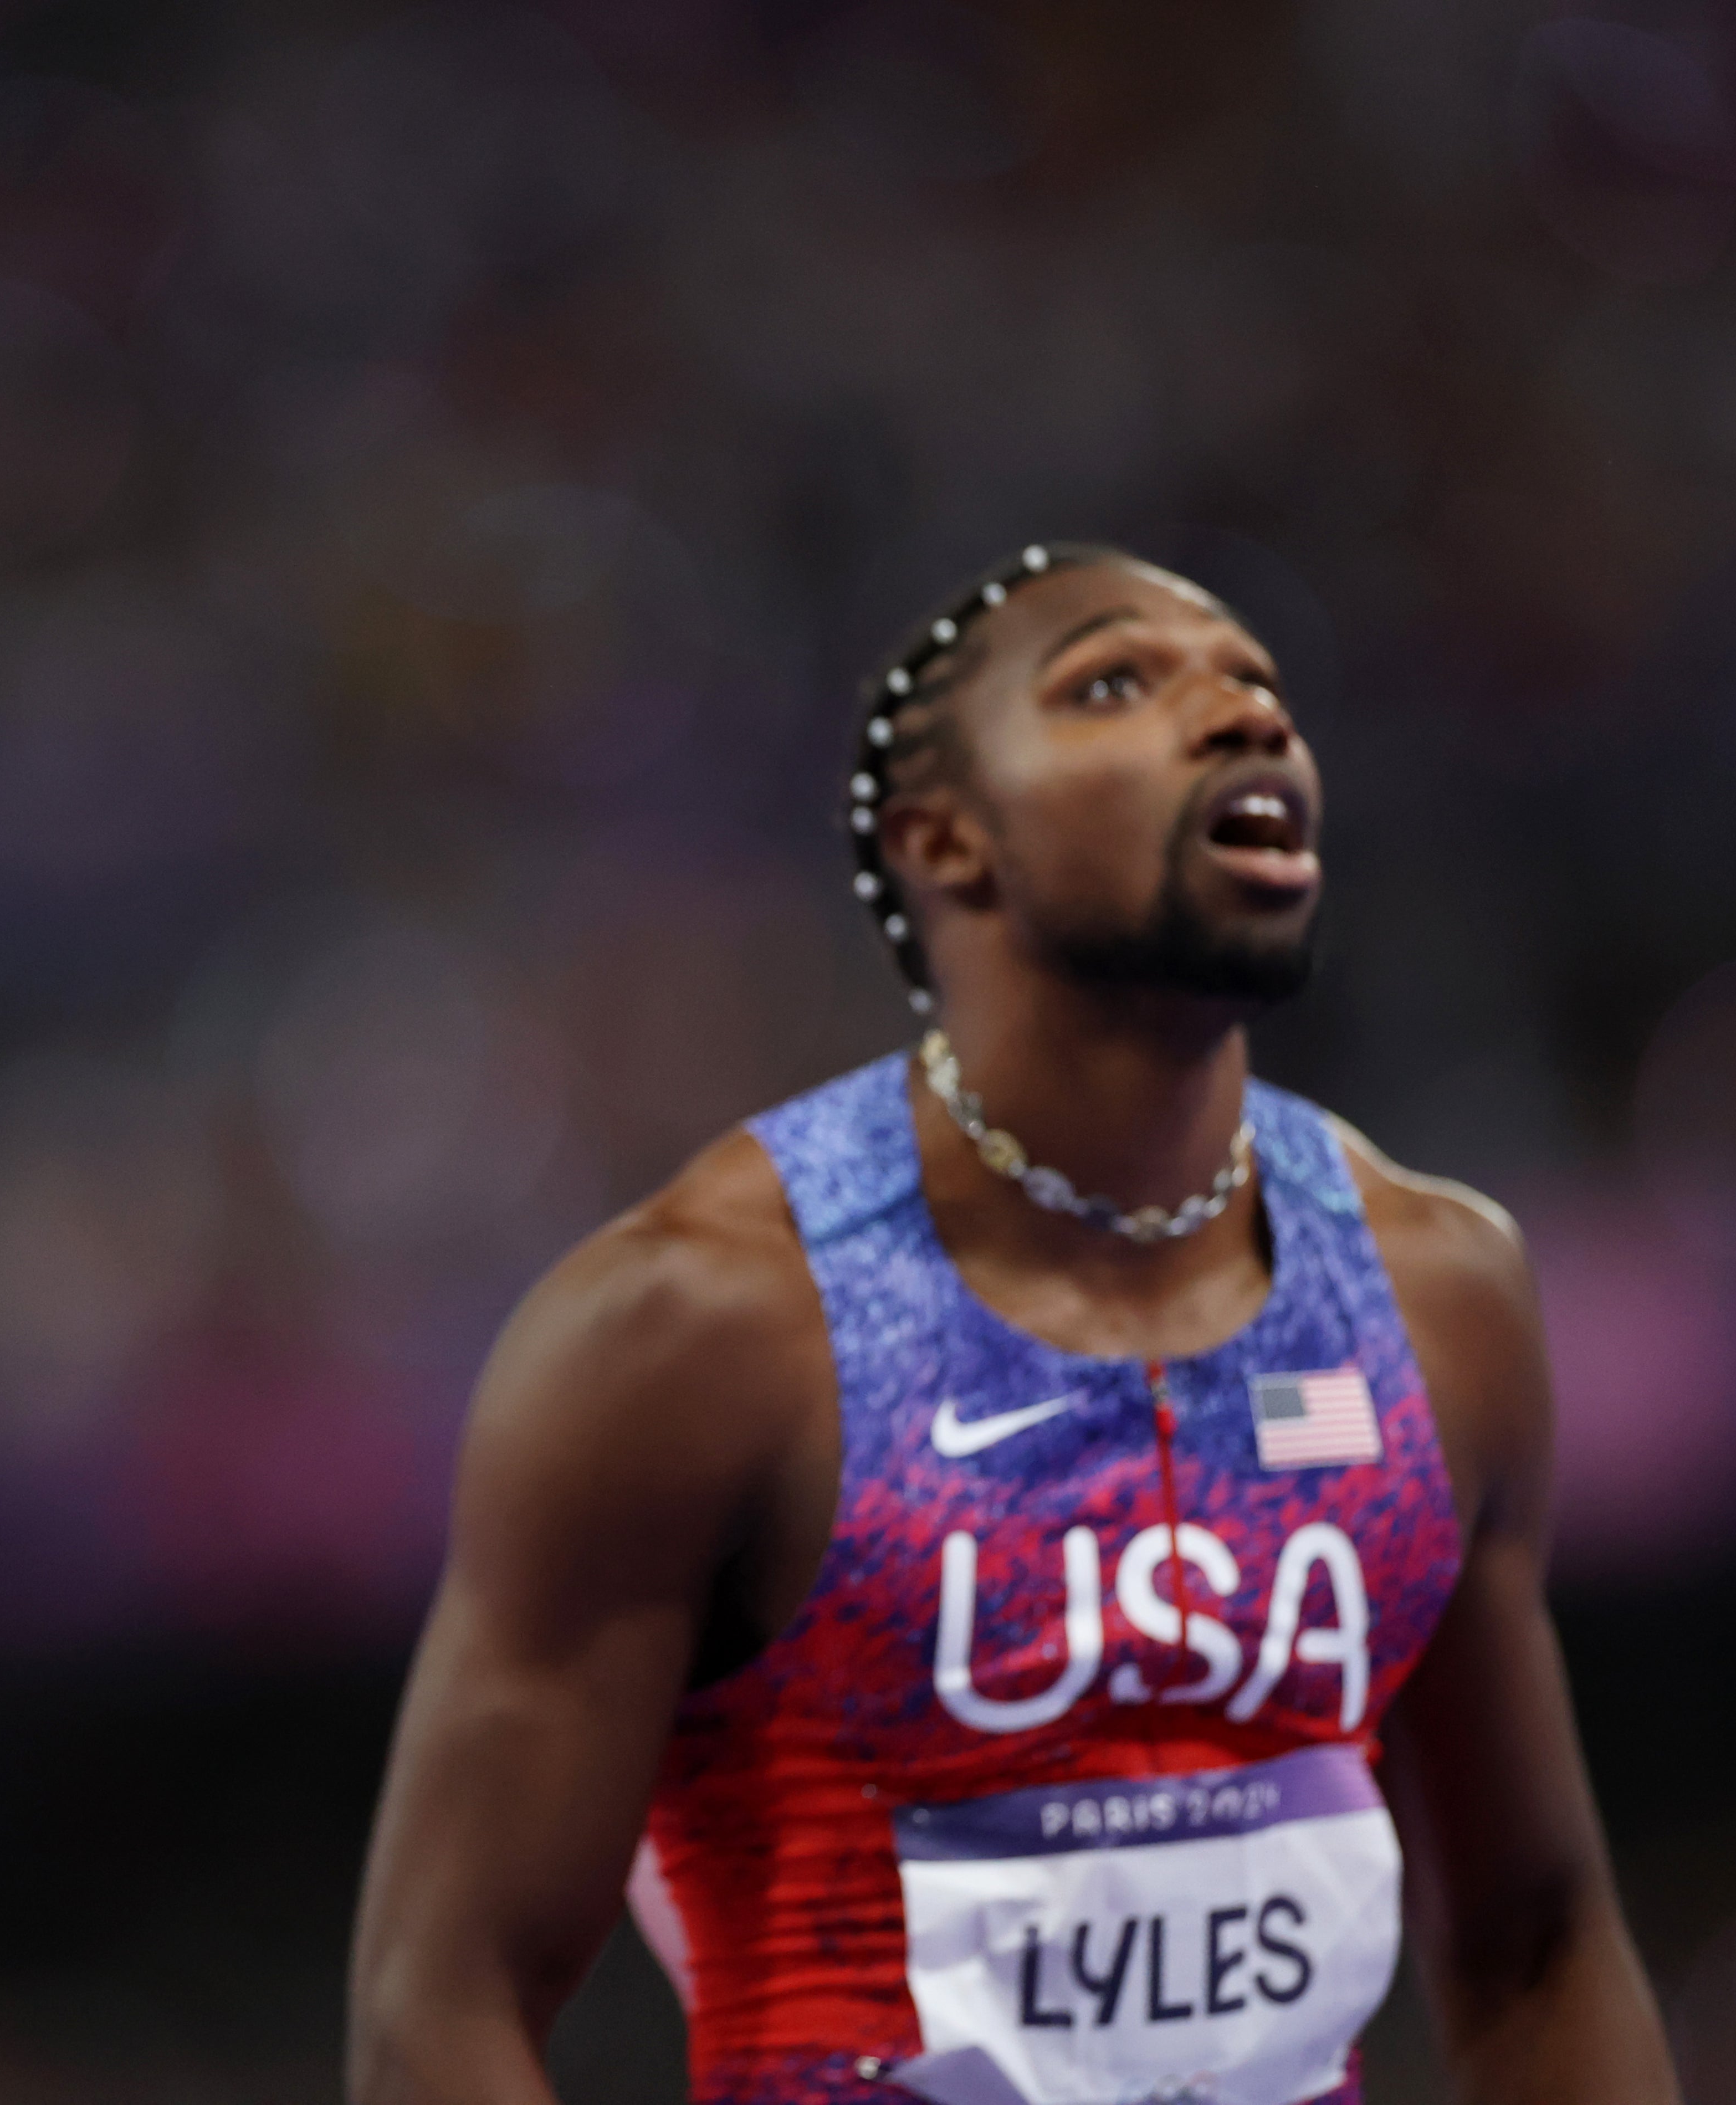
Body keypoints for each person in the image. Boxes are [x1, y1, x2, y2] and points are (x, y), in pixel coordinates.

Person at [346, 543, 1678, 2105]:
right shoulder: (698, 1327)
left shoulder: (1436, 1292)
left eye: (1258, 687)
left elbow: (1533, 1938)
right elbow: (440, 2002)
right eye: (1114, 683)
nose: (1241, 718)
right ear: (945, 841)